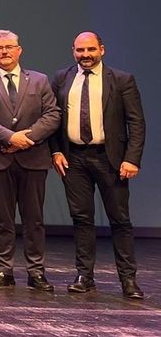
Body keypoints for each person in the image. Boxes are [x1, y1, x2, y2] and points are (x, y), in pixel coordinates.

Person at [50, 32, 146, 300]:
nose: (86, 55)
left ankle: (128, 280)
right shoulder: (61, 78)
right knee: (81, 219)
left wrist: (131, 158)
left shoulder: (121, 79)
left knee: (120, 220)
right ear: (73, 51)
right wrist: (56, 151)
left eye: (91, 49)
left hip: (110, 159)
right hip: (74, 159)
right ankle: (84, 277)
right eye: (80, 50)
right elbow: (54, 119)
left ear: (102, 50)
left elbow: (136, 122)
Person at [0, 29, 60, 291]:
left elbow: (52, 115)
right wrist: (10, 138)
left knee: (34, 219)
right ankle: (3, 270)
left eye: (9, 47)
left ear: (19, 50)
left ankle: (36, 271)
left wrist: (27, 138)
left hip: (33, 158)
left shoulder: (40, 80)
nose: (5, 51)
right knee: (2, 219)